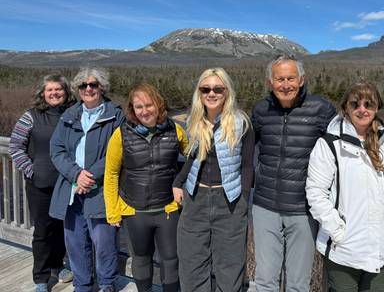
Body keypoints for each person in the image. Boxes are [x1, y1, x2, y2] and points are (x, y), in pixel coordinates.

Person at [251, 54, 336, 291]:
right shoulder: (260, 110)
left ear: (301, 80)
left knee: (298, 283)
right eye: (279, 79)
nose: (285, 85)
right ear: (270, 82)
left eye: (290, 78)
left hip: (303, 209)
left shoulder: (322, 109)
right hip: (265, 206)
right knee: (265, 279)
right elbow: (246, 151)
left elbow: (339, 150)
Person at [306, 82, 384, 291]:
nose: (362, 109)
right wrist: (337, 232)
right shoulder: (329, 144)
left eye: (368, 104)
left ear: (377, 107)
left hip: (381, 249)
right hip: (344, 250)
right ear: (345, 108)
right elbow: (316, 192)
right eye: (355, 104)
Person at [172, 67, 254, 292]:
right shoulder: (195, 121)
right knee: (191, 263)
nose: (211, 93)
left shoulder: (241, 123)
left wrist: (244, 199)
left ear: (227, 92)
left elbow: (247, 165)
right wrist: (177, 183)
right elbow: (192, 159)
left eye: (218, 89)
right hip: (195, 198)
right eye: (205, 89)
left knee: (230, 265)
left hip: (229, 200)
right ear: (199, 92)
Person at [104, 83, 188, 292]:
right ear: (132, 110)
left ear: (158, 105)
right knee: (141, 258)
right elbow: (111, 174)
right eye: (138, 107)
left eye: (149, 105)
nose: (144, 111)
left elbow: (193, 158)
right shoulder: (121, 134)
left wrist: (183, 184)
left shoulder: (175, 130)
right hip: (135, 211)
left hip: (168, 209)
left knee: (171, 259)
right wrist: (113, 211)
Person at [49, 67, 125, 292]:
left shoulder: (115, 115)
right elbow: (56, 149)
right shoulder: (69, 115)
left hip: (101, 189)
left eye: (93, 84)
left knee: (104, 242)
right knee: (74, 241)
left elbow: (118, 151)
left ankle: (106, 283)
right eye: (83, 85)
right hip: (71, 190)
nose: (89, 89)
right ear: (78, 90)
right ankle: (82, 284)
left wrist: (88, 177)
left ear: (102, 87)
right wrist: (75, 174)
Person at [9, 74, 76, 292]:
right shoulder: (31, 116)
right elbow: (15, 147)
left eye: (59, 89)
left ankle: (58, 265)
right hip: (40, 184)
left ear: (65, 92)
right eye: (50, 90)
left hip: (66, 184)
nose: (55, 93)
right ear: (43, 93)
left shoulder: (72, 114)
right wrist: (32, 171)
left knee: (62, 228)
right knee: (42, 231)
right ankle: (41, 276)